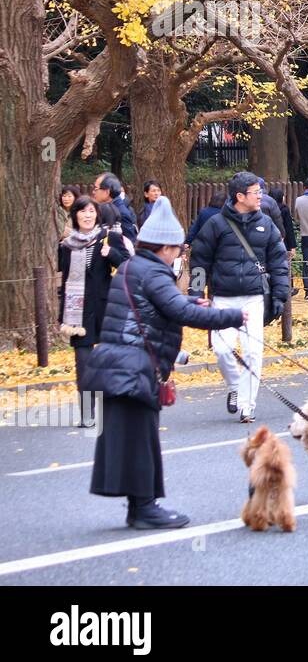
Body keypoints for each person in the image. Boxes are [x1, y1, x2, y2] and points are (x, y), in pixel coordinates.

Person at [83, 197, 247, 529]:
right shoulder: (154, 272)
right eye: (177, 248)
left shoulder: (133, 266)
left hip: (119, 365)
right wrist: (230, 316)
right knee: (141, 441)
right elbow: (179, 312)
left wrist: (188, 297)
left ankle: (139, 506)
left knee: (130, 439)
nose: (180, 255)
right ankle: (144, 508)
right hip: (134, 367)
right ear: (164, 247)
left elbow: (158, 303)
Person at [188, 172, 290, 422]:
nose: (260, 197)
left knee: (253, 352)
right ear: (240, 196)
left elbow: (279, 262)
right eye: (256, 192)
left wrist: (280, 294)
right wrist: (196, 292)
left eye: (260, 192)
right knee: (223, 350)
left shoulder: (266, 224)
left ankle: (247, 405)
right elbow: (200, 260)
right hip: (222, 298)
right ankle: (235, 386)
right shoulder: (216, 224)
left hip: (254, 298)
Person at [59, 197, 131, 428]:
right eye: (83, 211)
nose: (87, 215)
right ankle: (87, 413)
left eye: (91, 211)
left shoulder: (107, 238)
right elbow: (65, 279)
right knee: (84, 364)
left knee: (110, 360)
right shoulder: (66, 245)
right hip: (78, 311)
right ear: (75, 216)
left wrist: (110, 253)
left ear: (97, 214)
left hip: (105, 306)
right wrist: (63, 316)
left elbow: (127, 265)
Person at [92, 173, 138, 243]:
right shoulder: (104, 207)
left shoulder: (121, 213)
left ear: (107, 192)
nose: (93, 192)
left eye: (96, 189)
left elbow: (130, 242)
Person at [269, 186, 297, 282]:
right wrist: (292, 246)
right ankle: (289, 287)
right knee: (285, 265)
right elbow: (289, 228)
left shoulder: (266, 208)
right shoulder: (284, 209)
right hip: (283, 241)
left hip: (270, 241)